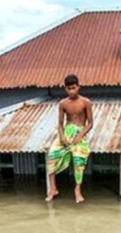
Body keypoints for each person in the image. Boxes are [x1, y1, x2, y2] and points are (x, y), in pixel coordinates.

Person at [46, 74, 93, 203]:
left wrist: (80, 136)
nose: (71, 91)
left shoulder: (86, 102)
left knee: (79, 159)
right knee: (51, 155)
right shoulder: (63, 103)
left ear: (78, 87)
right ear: (65, 89)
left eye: (73, 87)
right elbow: (60, 124)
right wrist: (62, 137)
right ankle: (53, 189)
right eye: (69, 88)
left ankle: (77, 190)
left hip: (80, 133)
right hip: (67, 131)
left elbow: (90, 123)